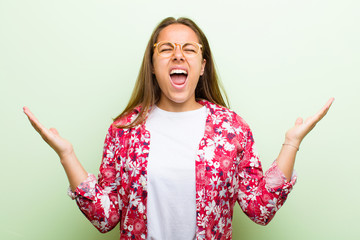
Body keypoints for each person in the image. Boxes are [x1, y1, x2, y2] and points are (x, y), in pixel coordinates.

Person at [23, 17, 334, 240]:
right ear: (153, 64)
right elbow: (106, 218)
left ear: (202, 65)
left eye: (189, 49)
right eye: (166, 49)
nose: (178, 55)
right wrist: (67, 155)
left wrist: (291, 143)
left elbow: (259, 210)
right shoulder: (124, 130)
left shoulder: (231, 128)